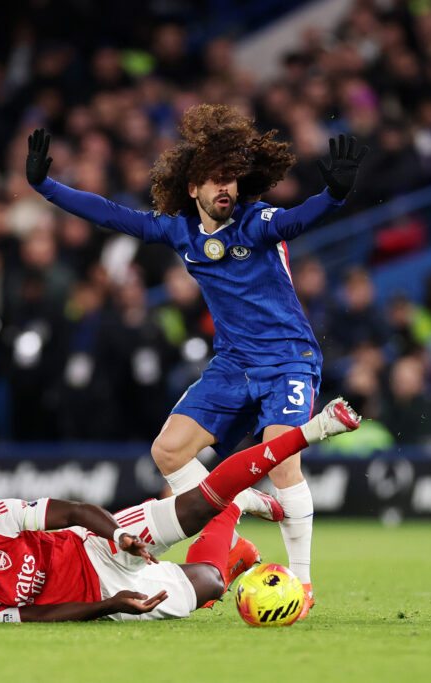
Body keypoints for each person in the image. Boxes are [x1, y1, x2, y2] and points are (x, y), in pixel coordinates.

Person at [26, 106, 368, 618]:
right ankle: (234, 505)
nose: (223, 187)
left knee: (280, 457)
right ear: (192, 189)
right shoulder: (180, 232)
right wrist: (47, 188)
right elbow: (109, 214)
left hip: (287, 361)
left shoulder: (257, 223)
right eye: (212, 180)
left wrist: (335, 194)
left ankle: (303, 581)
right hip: (233, 365)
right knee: (167, 452)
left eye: (230, 178)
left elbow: (301, 218)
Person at [0, 398, 360, 622]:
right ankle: (234, 512)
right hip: (104, 592)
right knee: (213, 583)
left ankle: (314, 429)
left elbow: (73, 510)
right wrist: (108, 605)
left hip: (94, 544)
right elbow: (36, 618)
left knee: (197, 506)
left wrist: (117, 536)